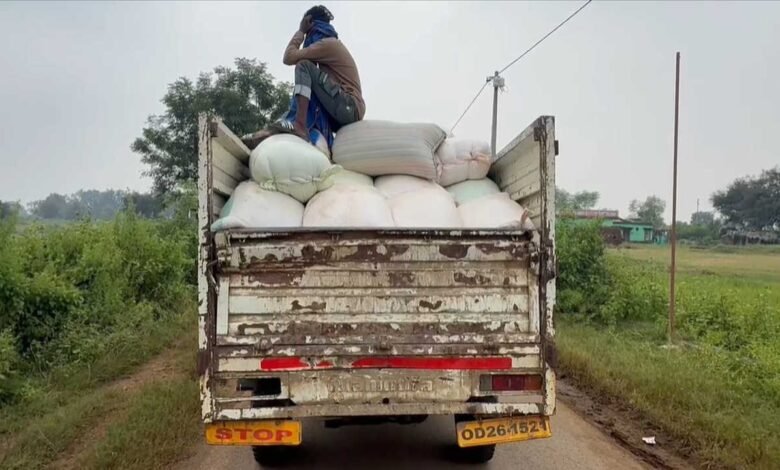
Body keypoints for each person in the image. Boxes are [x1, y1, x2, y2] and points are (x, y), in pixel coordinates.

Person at [242, 5, 365, 149]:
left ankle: (299, 125)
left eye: (308, 32)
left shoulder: (328, 44)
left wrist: (300, 31)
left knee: (304, 65)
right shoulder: (329, 45)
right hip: (343, 108)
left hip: (349, 105)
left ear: (310, 24)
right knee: (307, 89)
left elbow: (288, 57)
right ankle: (277, 132)